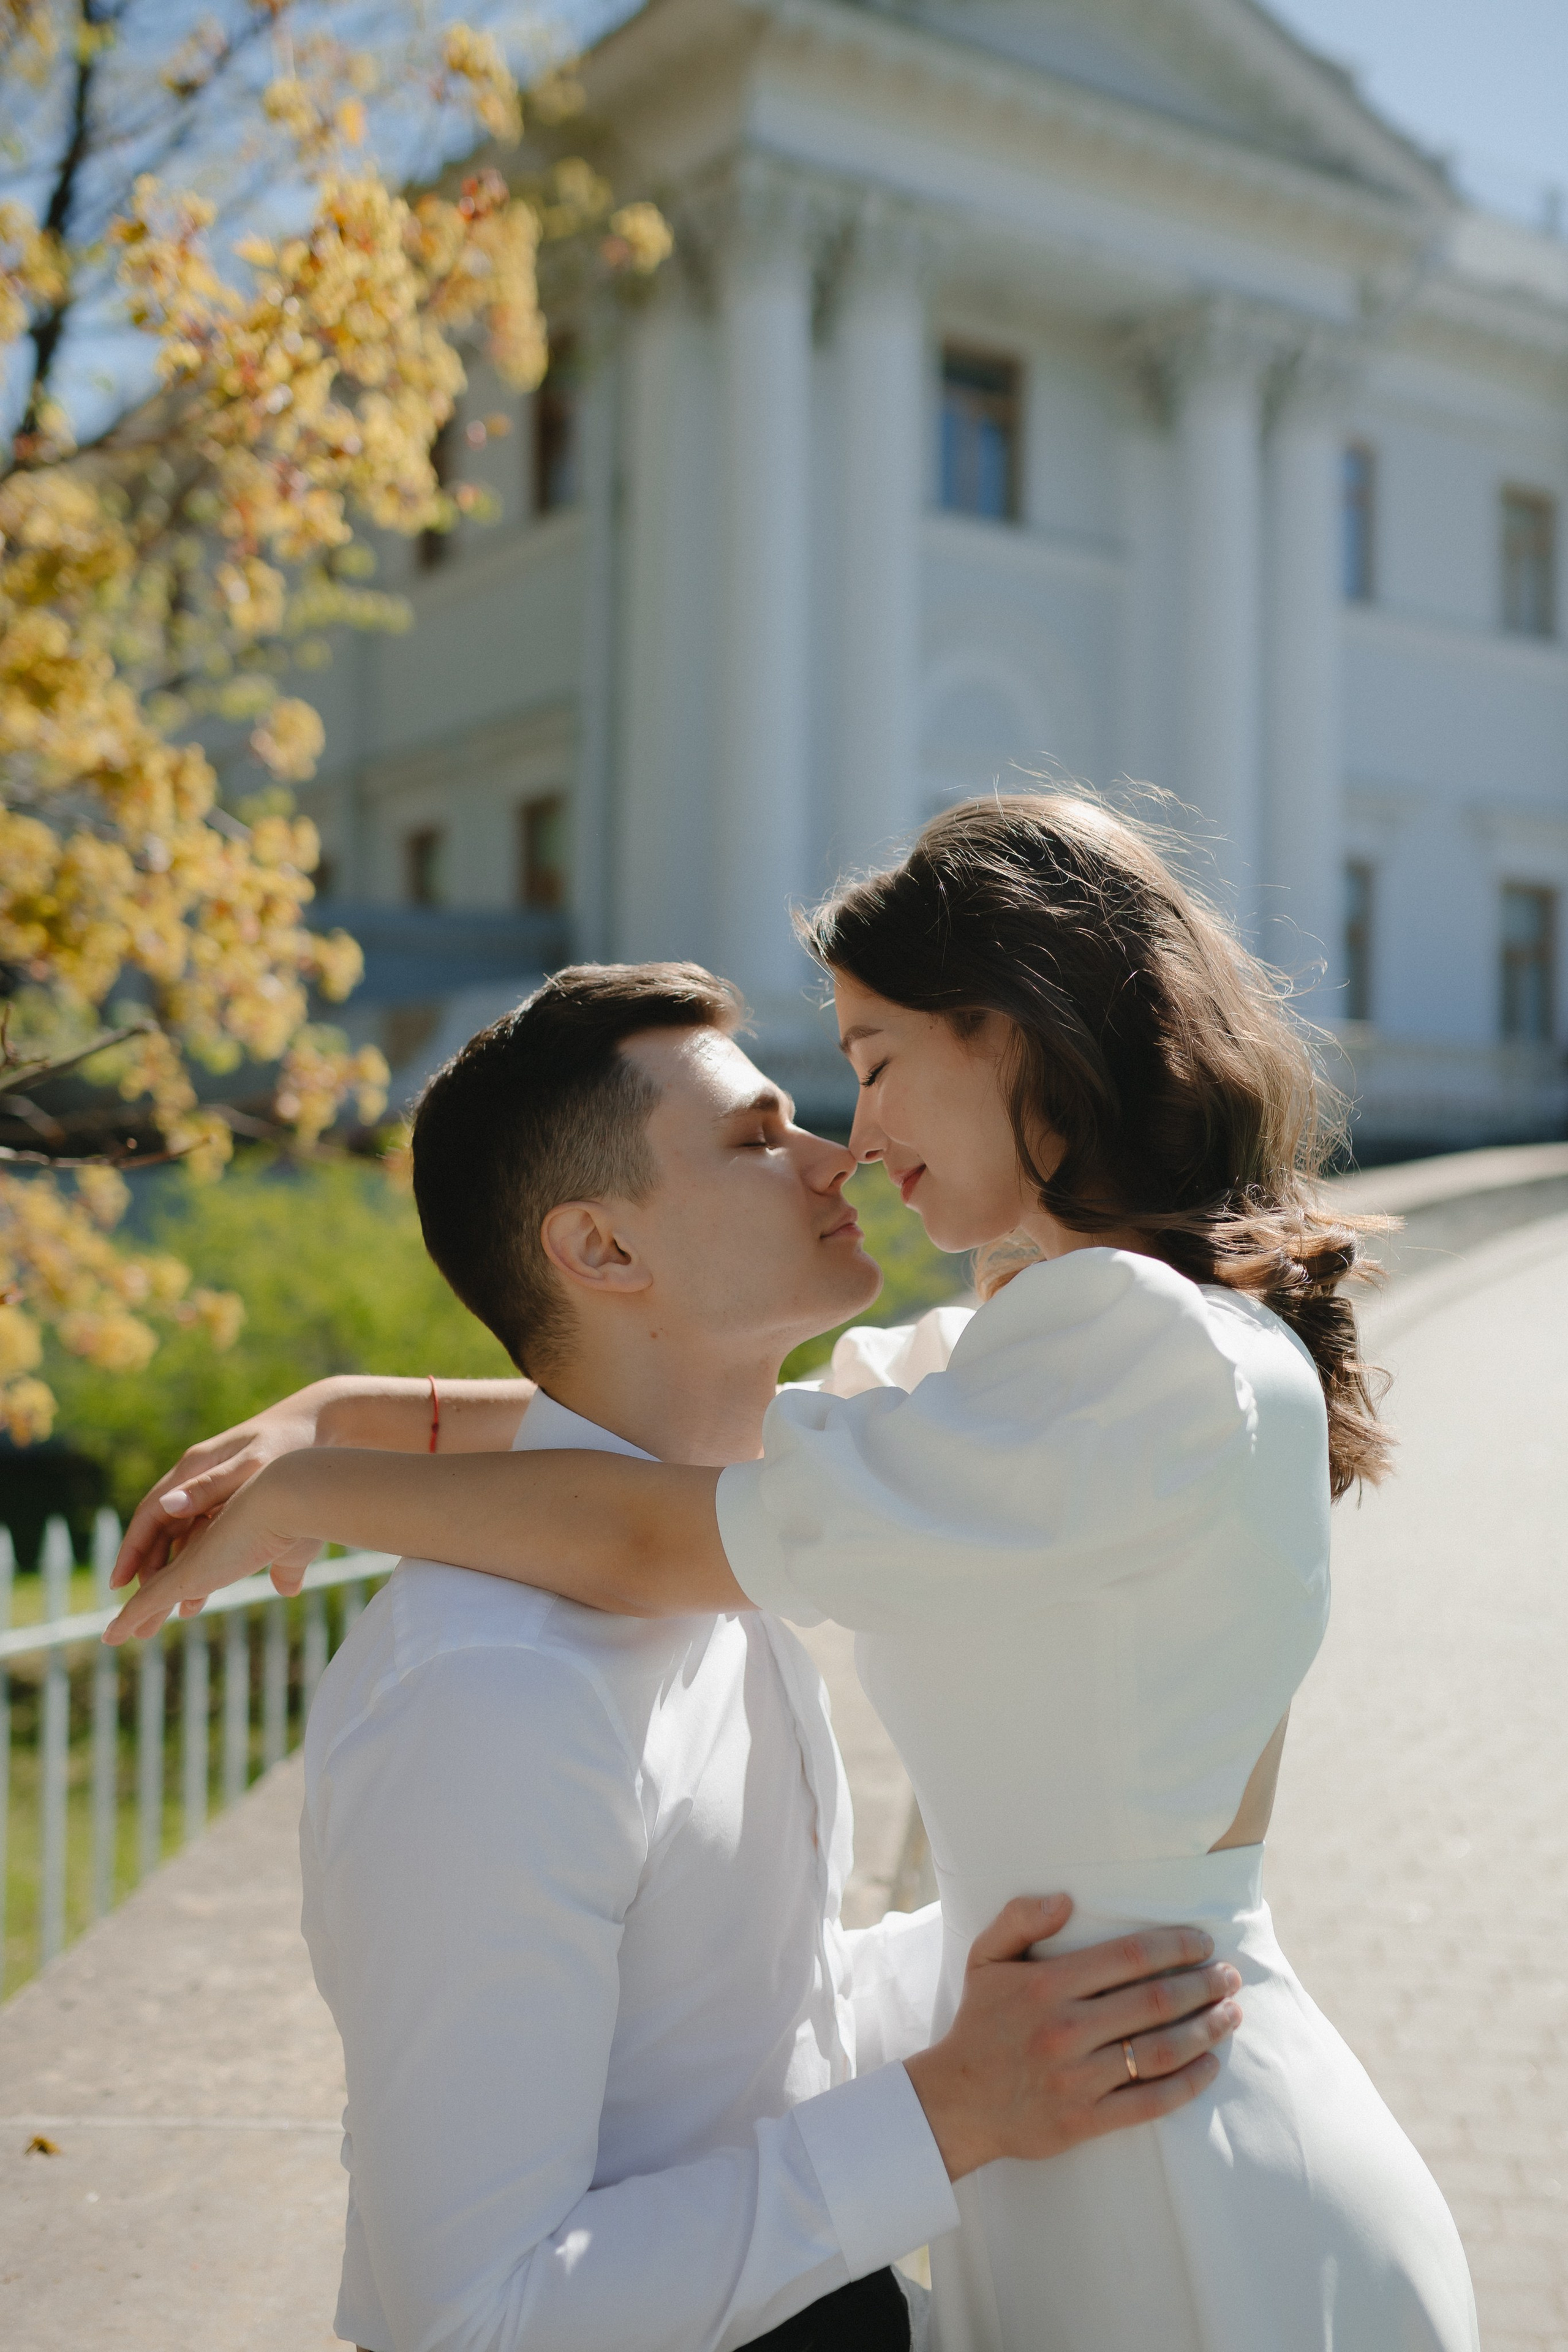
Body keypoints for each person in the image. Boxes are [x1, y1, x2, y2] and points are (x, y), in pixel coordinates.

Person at [110, 798, 1479, 2351]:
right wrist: (345, 1414)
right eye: (771, 1128)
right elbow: (715, 1473)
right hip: (1074, 2122)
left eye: (872, 1062)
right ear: (602, 1249)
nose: (852, 1143)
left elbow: (656, 1522)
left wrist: (318, 1482)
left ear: (1014, 1033)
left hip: (1172, 2155)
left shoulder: (1118, 1355)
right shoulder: (1016, 1369)